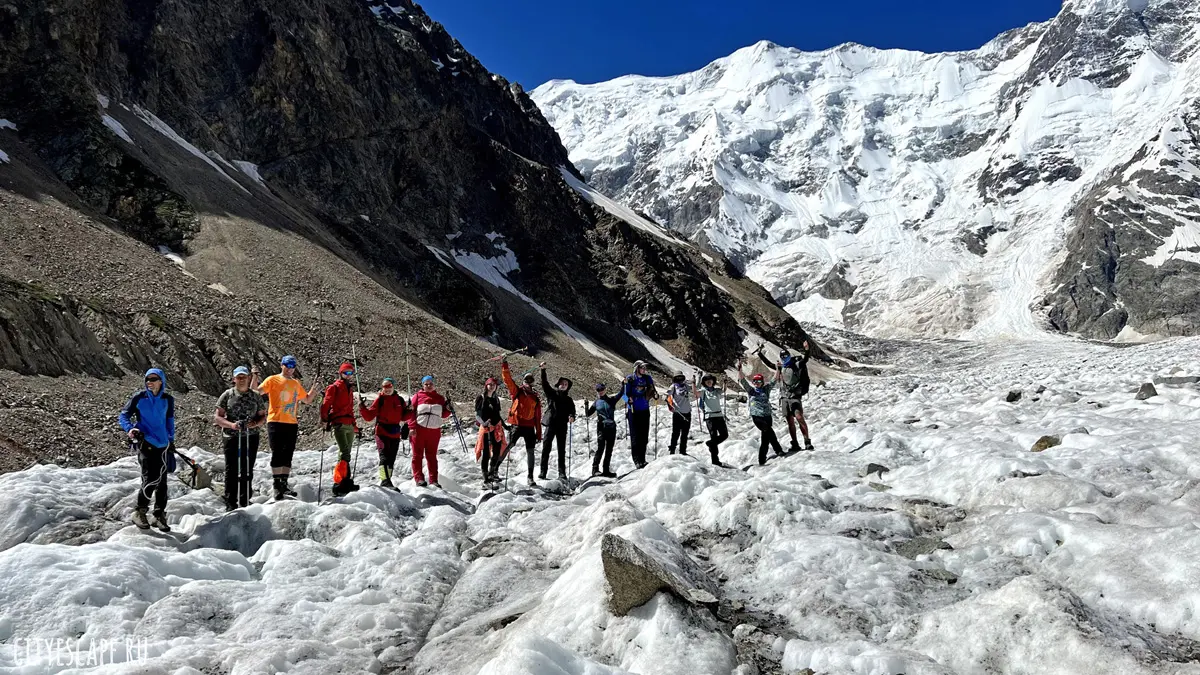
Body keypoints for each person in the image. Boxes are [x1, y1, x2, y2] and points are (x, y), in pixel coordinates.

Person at [119, 368, 176, 531]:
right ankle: (140, 511)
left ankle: (159, 515)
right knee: (150, 479)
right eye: (147, 379)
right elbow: (123, 416)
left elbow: (169, 420)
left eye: (153, 379)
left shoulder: (168, 399)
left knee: (162, 483)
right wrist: (129, 428)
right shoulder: (139, 397)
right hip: (146, 443)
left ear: (161, 381)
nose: (149, 382)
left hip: (163, 445)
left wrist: (171, 440)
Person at [254, 355, 318, 500]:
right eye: (288, 366)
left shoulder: (295, 383)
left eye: (293, 366)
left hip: (291, 422)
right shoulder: (272, 379)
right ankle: (277, 485)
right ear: (281, 365)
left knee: (287, 454)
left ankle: (284, 483)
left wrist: (313, 392)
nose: (290, 369)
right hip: (275, 421)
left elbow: (306, 400)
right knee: (277, 453)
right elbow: (257, 392)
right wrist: (254, 376)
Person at [214, 366, 268, 510]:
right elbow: (217, 417)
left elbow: (263, 416)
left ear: (248, 378)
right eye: (239, 377)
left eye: (244, 376)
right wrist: (232, 425)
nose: (242, 379)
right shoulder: (227, 395)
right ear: (234, 379)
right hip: (231, 437)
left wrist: (254, 423)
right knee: (231, 469)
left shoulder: (255, 396)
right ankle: (231, 501)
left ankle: (245, 500)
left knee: (247, 468)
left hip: (251, 436)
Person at [758, 344, 814, 452]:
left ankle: (807, 441)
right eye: (783, 357)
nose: (784, 358)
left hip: (794, 396)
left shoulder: (796, 364)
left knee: (799, 417)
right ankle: (795, 444)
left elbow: (805, 360)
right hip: (784, 397)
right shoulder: (781, 367)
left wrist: (807, 349)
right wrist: (760, 354)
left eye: (786, 356)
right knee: (790, 421)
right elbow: (769, 364)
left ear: (789, 356)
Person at [359, 377, 408, 488]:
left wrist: (410, 411)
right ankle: (385, 480)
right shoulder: (380, 400)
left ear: (393, 386)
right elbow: (368, 416)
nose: (387, 389)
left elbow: (404, 415)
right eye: (385, 386)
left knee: (391, 459)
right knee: (384, 457)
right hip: (382, 432)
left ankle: (387, 480)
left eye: (389, 386)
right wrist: (362, 407)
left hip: (395, 433)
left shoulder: (399, 400)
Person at [500, 357, 543, 486]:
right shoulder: (517, 392)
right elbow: (507, 380)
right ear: (523, 381)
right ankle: (494, 469)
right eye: (526, 380)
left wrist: (539, 434)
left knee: (530, 451)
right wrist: (504, 364)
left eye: (531, 380)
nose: (528, 382)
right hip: (517, 425)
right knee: (509, 446)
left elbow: (537, 417)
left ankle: (530, 477)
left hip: (529, 427)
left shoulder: (535, 398)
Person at [737, 359, 784, 465]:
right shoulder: (751, 391)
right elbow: (743, 381)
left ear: (762, 382)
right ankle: (778, 450)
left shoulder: (766, 389)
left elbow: (774, 380)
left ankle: (762, 459)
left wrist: (778, 369)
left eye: (759, 381)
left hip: (767, 416)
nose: (757, 383)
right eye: (755, 381)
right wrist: (739, 370)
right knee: (769, 431)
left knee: (765, 438)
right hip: (757, 416)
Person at [408, 375, 450, 487]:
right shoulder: (417, 396)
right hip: (419, 430)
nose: (429, 386)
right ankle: (419, 479)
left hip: (434, 431)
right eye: (426, 384)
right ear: (423, 385)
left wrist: (449, 409)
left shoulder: (440, 398)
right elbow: (411, 413)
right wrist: (411, 427)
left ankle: (434, 480)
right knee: (417, 456)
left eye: (431, 383)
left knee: (432, 456)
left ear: (434, 384)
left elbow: (444, 414)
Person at [539, 363, 576, 481]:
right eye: (562, 383)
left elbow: (572, 411)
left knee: (561, 449)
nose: (564, 385)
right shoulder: (552, 393)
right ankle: (543, 472)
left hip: (562, 426)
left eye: (566, 384)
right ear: (558, 384)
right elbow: (545, 384)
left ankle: (562, 473)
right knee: (546, 447)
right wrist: (543, 371)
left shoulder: (569, 400)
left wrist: (571, 416)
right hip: (551, 424)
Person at [622, 360, 658, 469]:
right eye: (642, 367)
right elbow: (623, 395)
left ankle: (643, 459)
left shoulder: (647, 378)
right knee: (635, 436)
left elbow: (653, 391)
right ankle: (636, 460)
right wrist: (628, 400)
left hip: (644, 409)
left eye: (645, 368)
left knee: (644, 436)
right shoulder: (630, 379)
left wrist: (656, 395)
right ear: (637, 367)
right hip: (633, 411)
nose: (644, 370)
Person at [585, 383, 622, 477]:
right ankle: (595, 469)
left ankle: (606, 470)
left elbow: (621, 393)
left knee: (609, 450)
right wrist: (586, 405)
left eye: (602, 389)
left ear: (605, 389)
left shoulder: (612, 400)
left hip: (611, 428)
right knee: (601, 448)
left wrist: (624, 384)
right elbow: (588, 414)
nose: (600, 391)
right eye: (598, 390)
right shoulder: (596, 402)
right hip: (601, 428)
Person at [475, 377, 506, 487]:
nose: (492, 386)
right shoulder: (481, 398)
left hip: (496, 428)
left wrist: (506, 426)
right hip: (486, 428)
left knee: (497, 452)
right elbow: (477, 415)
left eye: (494, 384)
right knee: (487, 453)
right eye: (490, 384)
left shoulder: (496, 398)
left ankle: (492, 473)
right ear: (486, 385)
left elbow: (497, 414)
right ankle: (485, 476)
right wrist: (483, 423)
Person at [697, 374, 728, 467]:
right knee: (714, 436)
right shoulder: (703, 391)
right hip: (710, 417)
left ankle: (710, 444)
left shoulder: (716, 391)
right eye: (707, 381)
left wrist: (725, 383)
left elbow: (723, 390)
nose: (709, 382)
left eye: (710, 380)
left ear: (713, 381)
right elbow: (695, 393)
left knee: (724, 435)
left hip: (719, 415)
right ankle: (715, 460)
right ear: (704, 382)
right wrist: (694, 383)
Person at [665, 371, 692, 456]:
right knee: (675, 433)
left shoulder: (686, 386)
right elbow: (667, 393)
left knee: (685, 433)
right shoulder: (673, 386)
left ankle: (682, 450)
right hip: (678, 413)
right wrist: (664, 397)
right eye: (678, 377)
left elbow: (694, 388)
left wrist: (696, 380)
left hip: (687, 413)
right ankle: (672, 450)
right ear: (675, 379)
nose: (679, 379)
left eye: (681, 377)